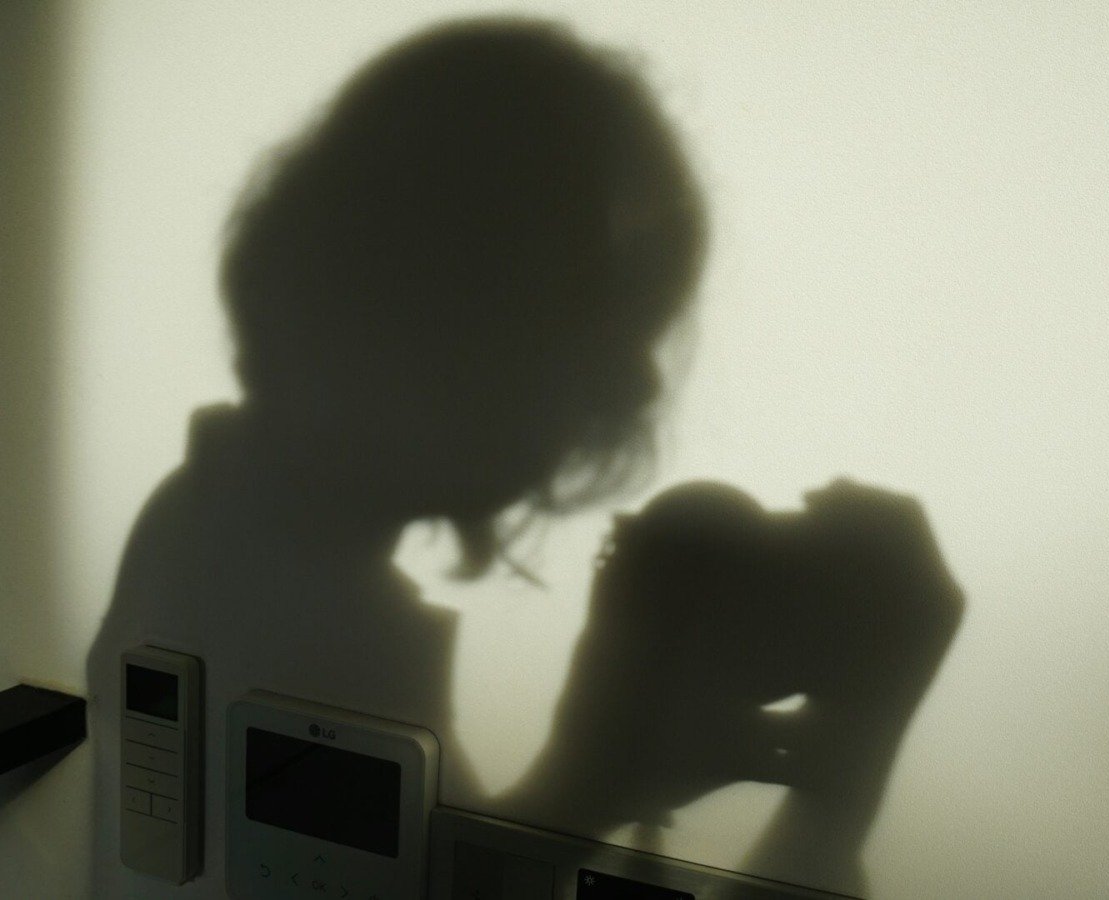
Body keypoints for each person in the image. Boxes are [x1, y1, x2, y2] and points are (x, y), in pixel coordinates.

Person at [87, 19, 961, 897]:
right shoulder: (314, 631)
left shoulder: (209, 517)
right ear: (453, 298)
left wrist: (600, 762)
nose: (642, 382)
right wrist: (844, 764)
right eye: (610, 321)